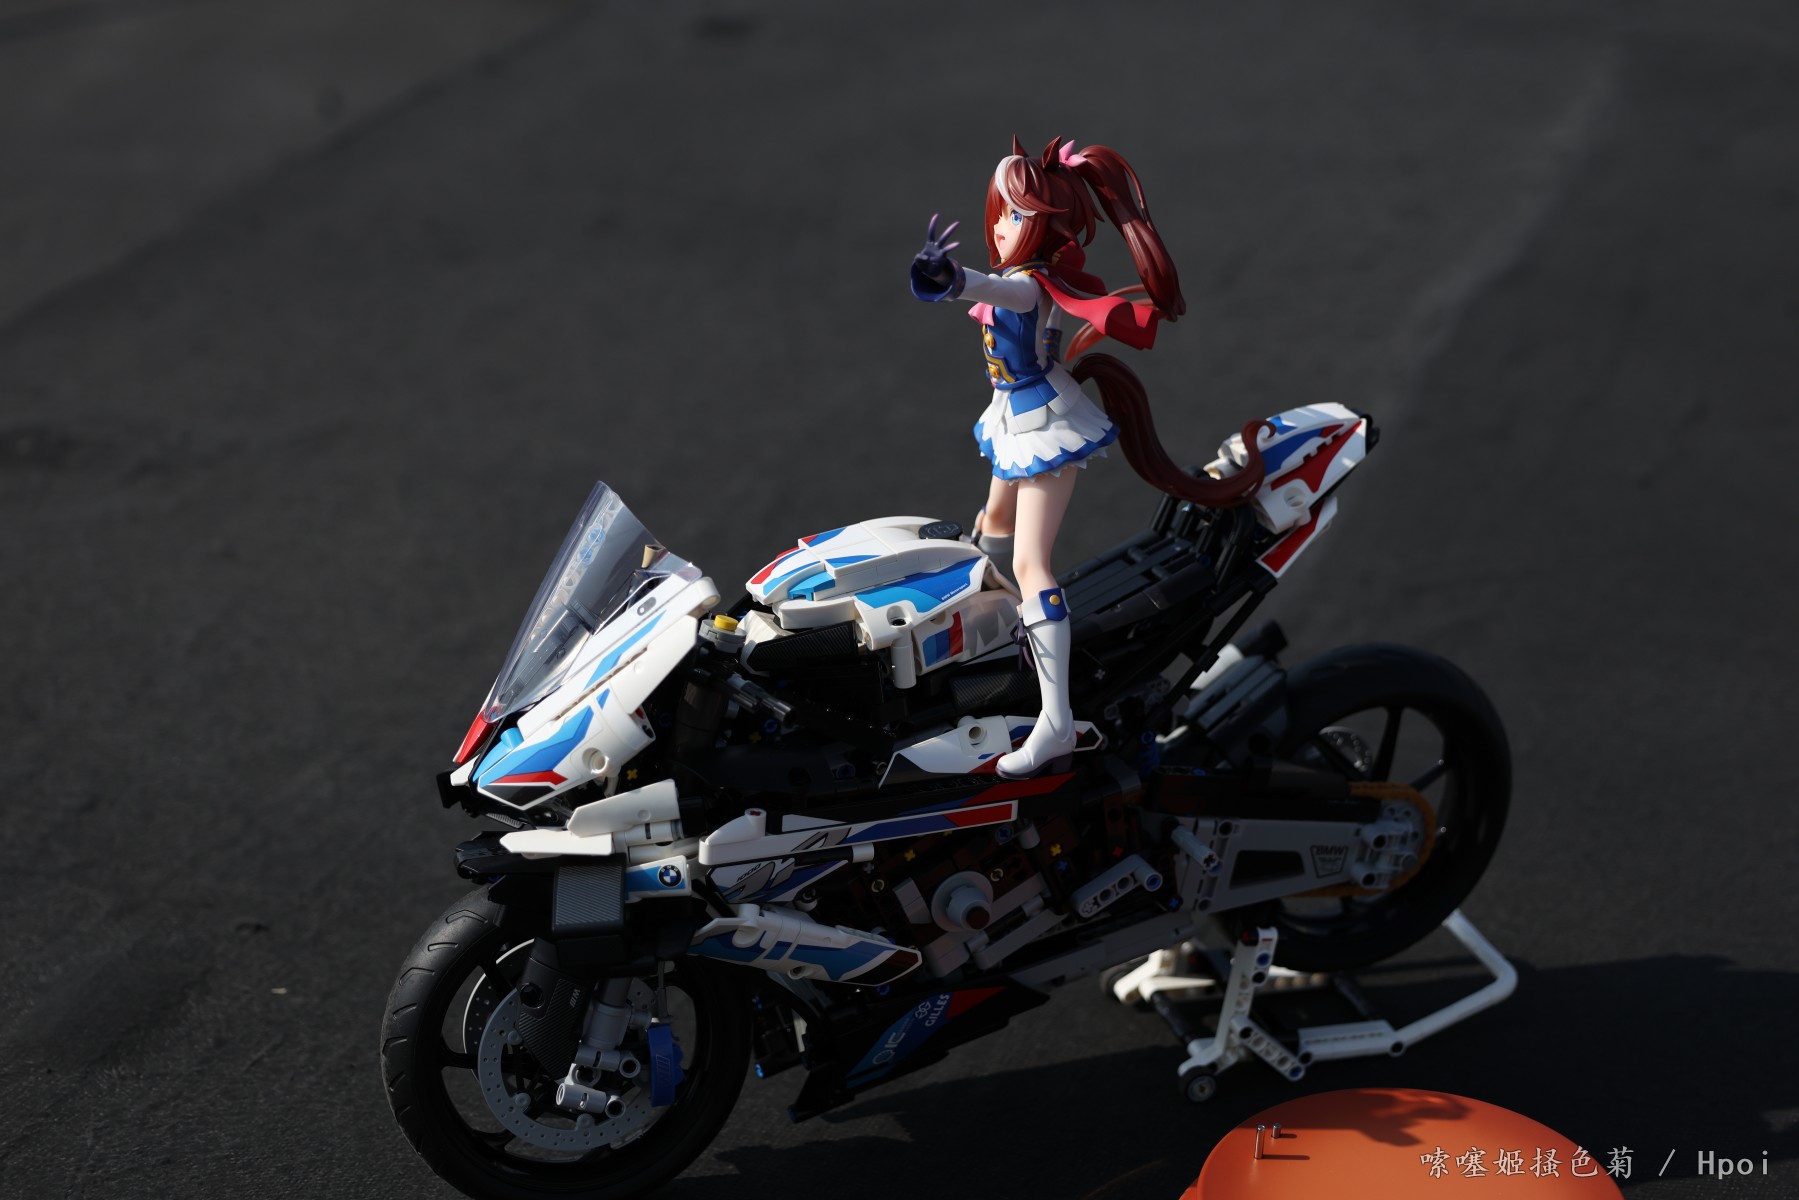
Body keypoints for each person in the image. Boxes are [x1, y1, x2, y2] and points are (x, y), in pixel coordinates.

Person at [909, 136, 1194, 778]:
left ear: (1043, 224)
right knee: (991, 525)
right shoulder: (1030, 280)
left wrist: (953, 279)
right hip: (1015, 416)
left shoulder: (1027, 284)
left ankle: (1056, 722)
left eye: (1016, 216)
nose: (1001, 228)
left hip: (1044, 425)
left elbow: (991, 289)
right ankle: (990, 641)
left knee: (1032, 563)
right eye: (999, 214)